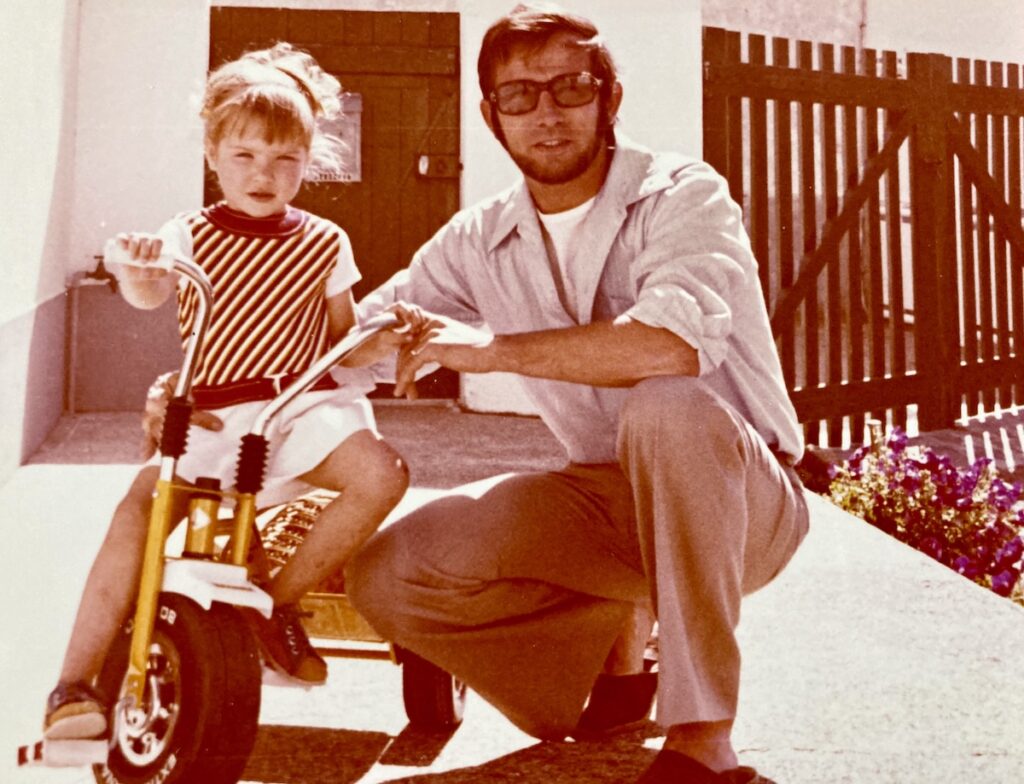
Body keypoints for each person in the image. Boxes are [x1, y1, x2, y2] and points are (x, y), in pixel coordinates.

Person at [343, 5, 809, 784]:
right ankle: (611, 665)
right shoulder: (480, 235)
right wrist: (216, 389)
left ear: (609, 97)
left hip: (739, 502)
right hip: (604, 500)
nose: (547, 113)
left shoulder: (682, 194)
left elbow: (670, 346)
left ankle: (702, 739)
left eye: (570, 87)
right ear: (491, 117)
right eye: (519, 96)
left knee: (668, 402)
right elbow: (363, 337)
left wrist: (488, 350)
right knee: (393, 571)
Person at [42, 42, 412, 741]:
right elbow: (149, 293)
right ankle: (75, 685)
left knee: (381, 472)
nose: (263, 174)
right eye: (244, 155)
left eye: (285, 158)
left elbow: (345, 340)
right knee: (138, 515)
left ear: (309, 160)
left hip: (297, 406)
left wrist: (383, 338)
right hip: (213, 413)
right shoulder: (187, 232)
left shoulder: (325, 241)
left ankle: (268, 602)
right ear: (212, 155)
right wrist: (140, 268)